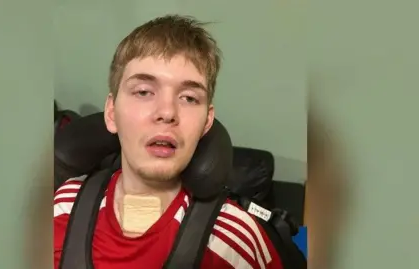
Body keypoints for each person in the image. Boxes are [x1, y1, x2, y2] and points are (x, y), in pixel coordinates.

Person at [54, 15, 283, 269]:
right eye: (143, 92)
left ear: (207, 122)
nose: (167, 112)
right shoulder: (63, 207)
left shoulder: (235, 243)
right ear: (111, 113)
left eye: (188, 98)